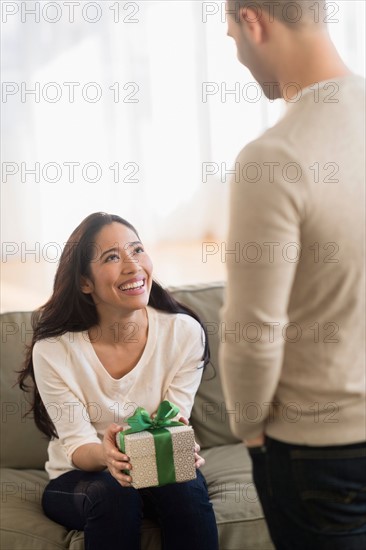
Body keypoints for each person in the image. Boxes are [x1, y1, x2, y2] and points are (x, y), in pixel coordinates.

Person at [219, 1, 366, 549]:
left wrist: (248, 429)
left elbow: (253, 332)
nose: (235, 52)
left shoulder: (273, 159)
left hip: (318, 453)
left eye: (231, 33)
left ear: (253, 20)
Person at [18, 212, 219, 550]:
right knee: (113, 493)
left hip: (157, 466)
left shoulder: (183, 333)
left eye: (137, 250)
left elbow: (172, 420)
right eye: (112, 257)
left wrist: (180, 445)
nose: (132, 265)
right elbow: (78, 447)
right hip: (80, 476)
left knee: (184, 486)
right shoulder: (53, 351)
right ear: (85, 282)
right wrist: (111, 455)